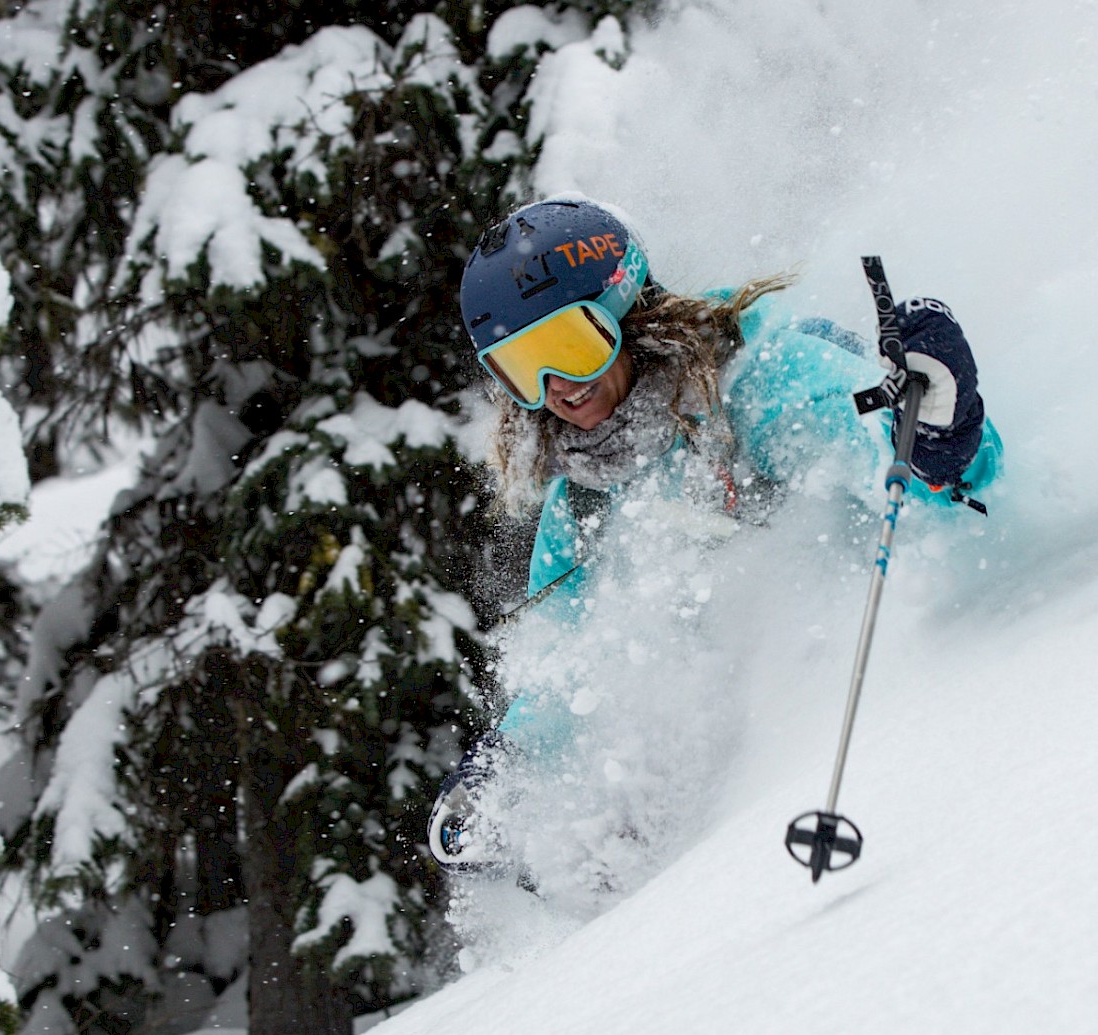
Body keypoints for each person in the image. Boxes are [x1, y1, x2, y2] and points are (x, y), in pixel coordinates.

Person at [428, 196, 1001, 875]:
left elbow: (910, 485)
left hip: (885, 707)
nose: (556, 387)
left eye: (569, 347)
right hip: (726, 798)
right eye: (523, 368)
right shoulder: (579, 506)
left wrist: (940, 437)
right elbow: (576, 665)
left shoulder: (758, 383)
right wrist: (510, 764)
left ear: (629, 312)